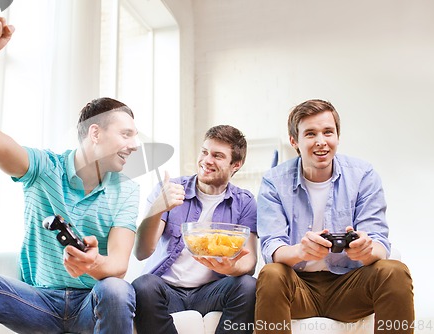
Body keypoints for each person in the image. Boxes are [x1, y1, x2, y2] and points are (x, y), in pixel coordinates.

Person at [0, 16, 140, 334]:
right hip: (36, 303)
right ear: (96, 133)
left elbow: (117, 264)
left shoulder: (125, 190)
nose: (134, 145)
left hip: (91, 303)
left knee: (116, 289)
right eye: (126, 134)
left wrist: (93, 264)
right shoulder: (43, 168)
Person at [255, 99, 415, 333]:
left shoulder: (363, 175)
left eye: (328, 132)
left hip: (350, 285)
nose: (321, 141)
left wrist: (366, 250)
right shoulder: (274, 181)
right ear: (294, 141)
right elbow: (272, 246)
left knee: (395, 271)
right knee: (271, 273)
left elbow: (380, 241)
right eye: (310, 134)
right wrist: (301, 250)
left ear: (337, 136)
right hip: (299, 288)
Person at [132, 125, 258, 334]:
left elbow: (249, 262)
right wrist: (157, 209)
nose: (207, 160)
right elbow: (142, 251)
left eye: (217, 155)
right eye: (204, 152)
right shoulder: (171, 190)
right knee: (143, 285)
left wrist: (230, 269)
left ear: (236, 165)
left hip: (212, 293)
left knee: (248, 285)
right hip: (166, 289)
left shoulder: (244, 202)